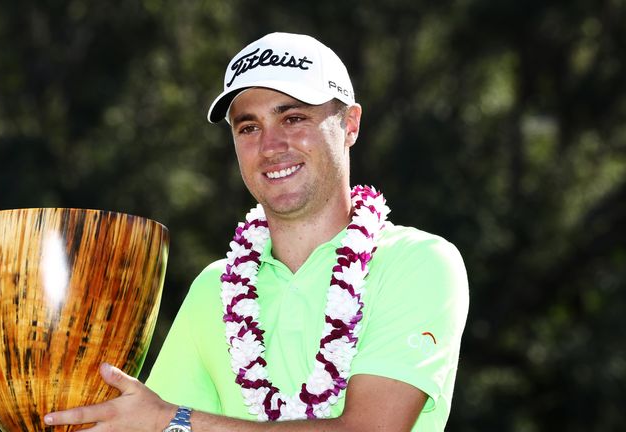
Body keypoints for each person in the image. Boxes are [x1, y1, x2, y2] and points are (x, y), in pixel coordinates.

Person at [44, 32, 469, 431]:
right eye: (248, 127)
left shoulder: (417, 262)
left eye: (294, 117)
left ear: (350, 124)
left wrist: (177, 421)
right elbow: (149, 420)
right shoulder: (215, 288)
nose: (270, 146)